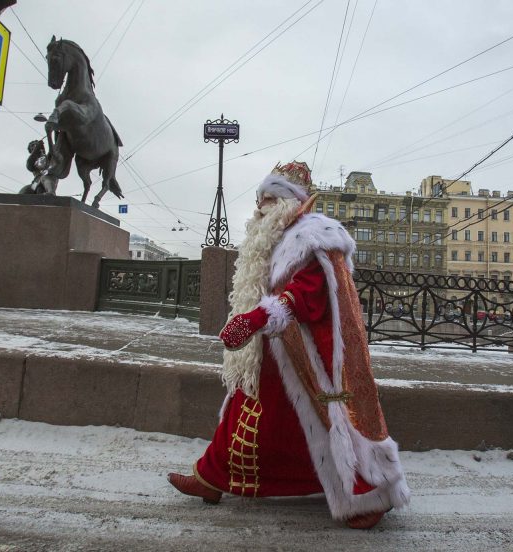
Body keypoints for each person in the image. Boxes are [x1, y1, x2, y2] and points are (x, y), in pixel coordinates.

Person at [166, 162, 410, 530]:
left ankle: (368, 494)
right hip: (273, 352)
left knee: (327, 426)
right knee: (247, 410)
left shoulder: (314, 238)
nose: (259, 207)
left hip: (307, 358)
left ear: (288, 201)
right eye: (259, 199)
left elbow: (308, 296)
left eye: (267, 199)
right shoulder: (276, 237)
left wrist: (255, 320)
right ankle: (210, 477)